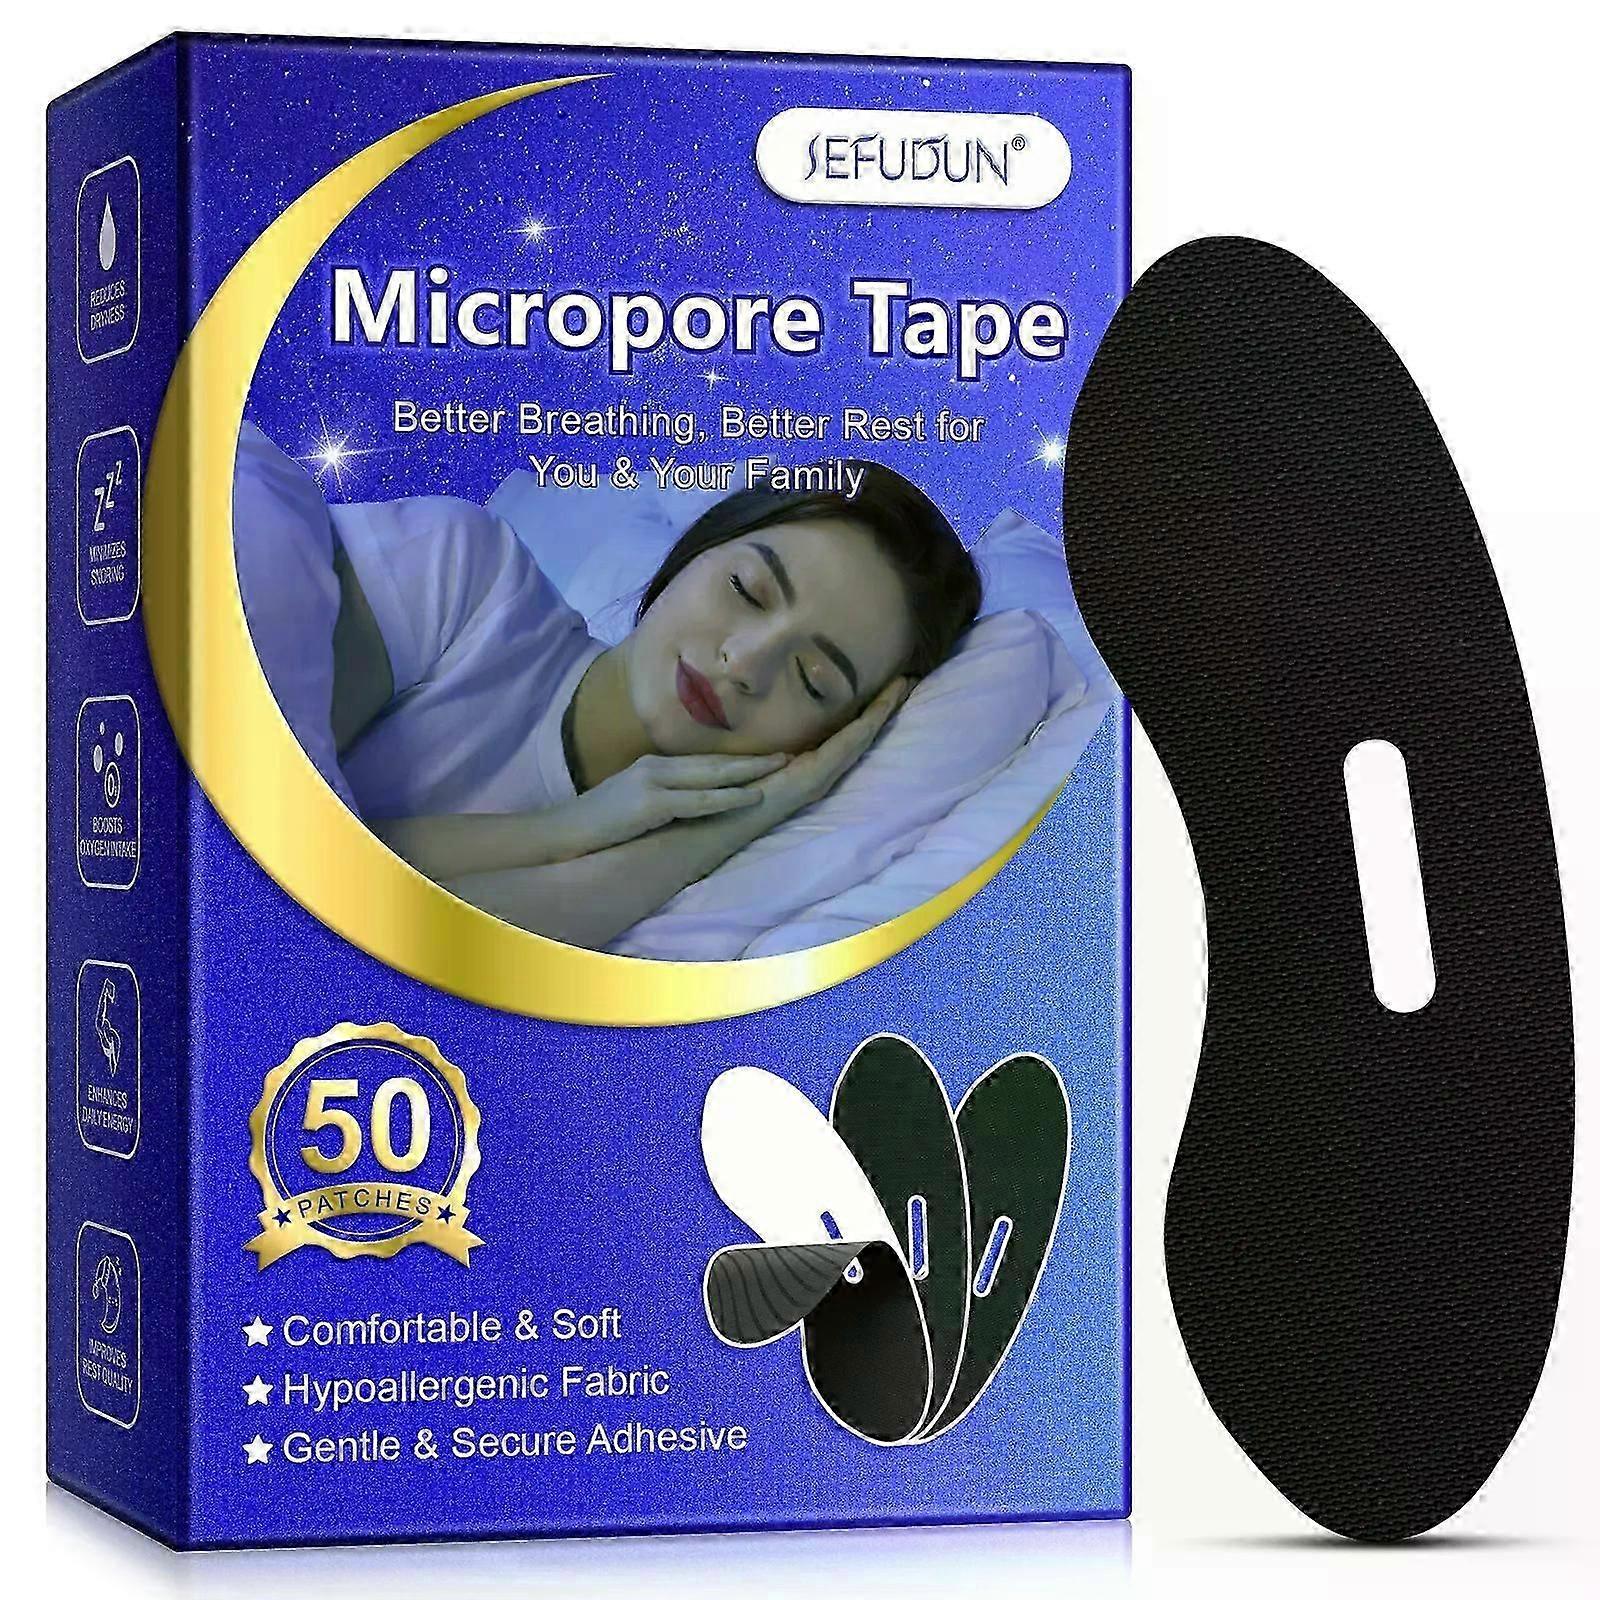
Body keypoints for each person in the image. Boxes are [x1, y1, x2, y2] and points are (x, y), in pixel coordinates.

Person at [236, 426, 981, 950]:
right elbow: (282, 873)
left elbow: (409, 950)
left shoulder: (680, 893)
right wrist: (570, 829)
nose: (744, 661)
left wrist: (732, 824)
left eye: (812, 681)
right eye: (747, 590)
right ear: (694, 552)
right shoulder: (466, 579)